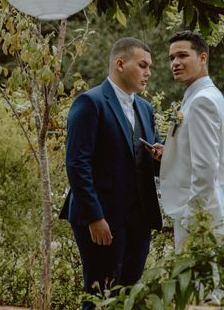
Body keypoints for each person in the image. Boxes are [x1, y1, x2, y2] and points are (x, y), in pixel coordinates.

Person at [59, 37, 163, 310]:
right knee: (99, 296)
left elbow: (149, 163)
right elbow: (76, 164)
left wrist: (161, 155)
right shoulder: (89, 102)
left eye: (149, 66)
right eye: (142, 65)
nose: (148, 72)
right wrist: (95, 217)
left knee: (128, 297)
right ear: (120, 64)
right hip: (100, 220)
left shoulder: (145, 108)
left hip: (138, 221)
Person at [160, 31, 224, 251]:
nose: (175, 62)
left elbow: (205, 168)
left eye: (183, 55)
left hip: (203, 220)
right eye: (172, 58)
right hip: (206, 215)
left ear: (202, 58)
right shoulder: (203, 96)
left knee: (204, 284)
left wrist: (192, 218)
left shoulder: (202, 101)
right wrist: (167, 153)